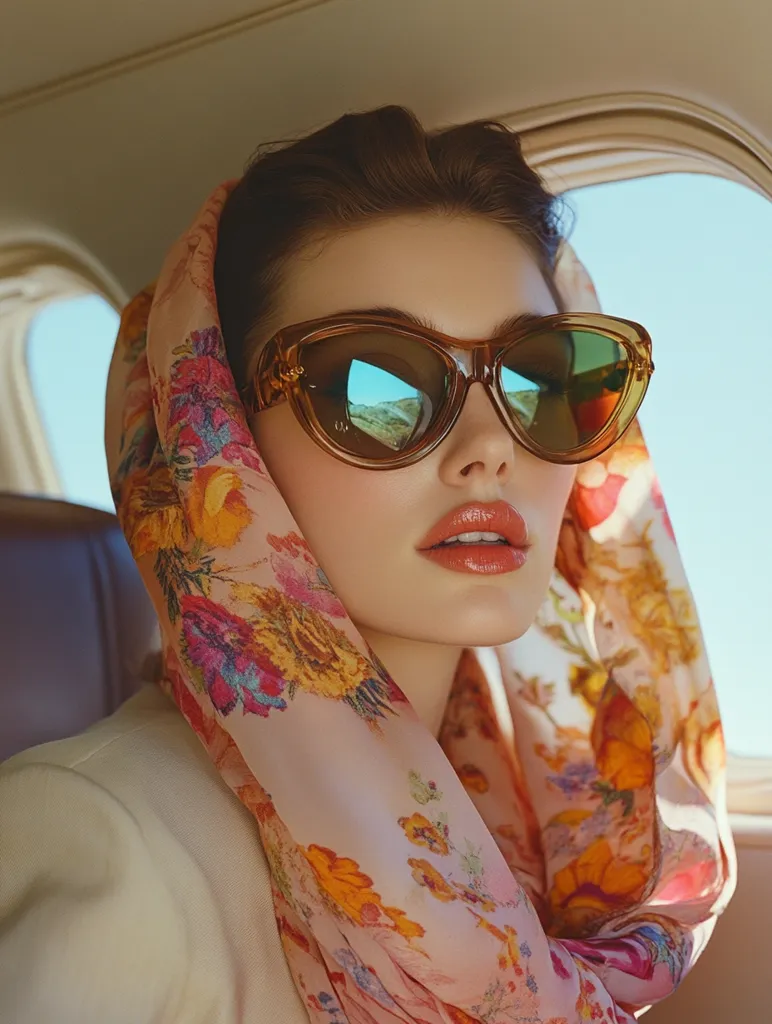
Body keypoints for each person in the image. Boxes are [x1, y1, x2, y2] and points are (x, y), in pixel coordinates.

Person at [0, 106, 734, 1023]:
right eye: (373, 384)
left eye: (541, 378)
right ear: (219, 438)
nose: (489, 449)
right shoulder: (102, 843)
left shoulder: (527, 836)